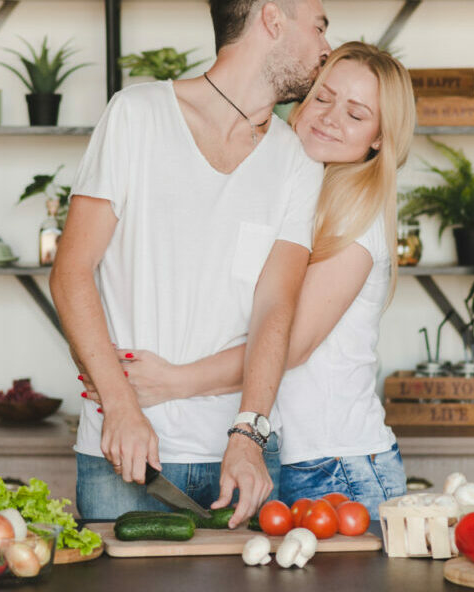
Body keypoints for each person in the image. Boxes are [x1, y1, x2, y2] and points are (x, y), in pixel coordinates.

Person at [50, 0, 331, 527]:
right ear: (272, 21)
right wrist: (121, 407)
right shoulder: (137, 115)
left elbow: (277, 305)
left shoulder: (296, 159)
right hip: (126, 451)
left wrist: (250, 433)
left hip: (240, 458)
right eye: (319, 26)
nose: (327, 46)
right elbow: (71, 272)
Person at [86, 41, 416, 513]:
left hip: (335, 465)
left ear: (381, 137)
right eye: (323, 97)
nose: (329, 118)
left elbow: (293, 344)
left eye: (357, 114)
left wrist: (174, 381)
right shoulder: (292, 183)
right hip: (286, 456)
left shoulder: (355, 219)